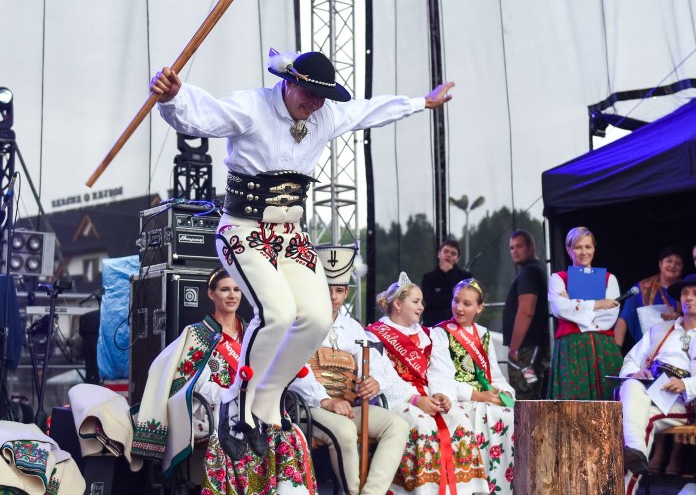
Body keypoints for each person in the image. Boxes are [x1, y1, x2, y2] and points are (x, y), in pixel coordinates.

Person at [150, 50, 454, 460]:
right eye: (308, 94)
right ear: (288, 83)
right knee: (276, 313)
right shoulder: (253, 106)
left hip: (289, 235)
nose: (314, 105)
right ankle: (235, 404)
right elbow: (202, 115)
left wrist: (422, 102)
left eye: (321, 98)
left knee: (314, 316)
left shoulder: (324, 115)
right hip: (243, 229)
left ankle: (265, 401)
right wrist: (173, 98)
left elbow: (368, 112)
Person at [133, 268, 316, 493]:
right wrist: (236, 395)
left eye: (237, 290)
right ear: (211, 294)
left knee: (287, 432)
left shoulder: (253, 333)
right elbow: (193, 383)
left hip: (253, 405)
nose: (232, 295)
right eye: (225, 289)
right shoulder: (197, 334)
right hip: (215, 408)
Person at [288, 244, 409, 495]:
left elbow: (374, 361)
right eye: (327, 290)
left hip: (349, 407)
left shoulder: (352, 328)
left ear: (345, 293)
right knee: (343, 431)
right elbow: (294, 368)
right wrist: (325, 401)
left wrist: (374, 381)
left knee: (397, 426)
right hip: (309, 408)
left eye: (340, 291)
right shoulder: (299, 324)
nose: (333, 297)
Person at [366, 273, 489, 494]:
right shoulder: (375, 335)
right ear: (397, 304)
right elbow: (382, 377)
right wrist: (415, 399)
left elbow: (440, 370)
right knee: (423, 423)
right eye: (416, 302)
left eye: (421, 302)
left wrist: (442, 394)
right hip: (396, 400)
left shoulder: (428, 335)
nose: (422, 307)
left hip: (427, 397)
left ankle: (463, 489)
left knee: (458, 417)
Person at [619, 274, 696, 495]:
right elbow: (630, 361)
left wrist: (686, 384)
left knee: (635, 424)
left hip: (685, 400)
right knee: (631, 385)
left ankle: (627, 472)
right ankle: (635, 450)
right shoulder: (659, 329)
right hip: (648, 389)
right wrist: (636, 371)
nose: (688, 298)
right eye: (685, 293)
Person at [429, 278, 516, 494]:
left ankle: (505, 485)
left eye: (466, 304)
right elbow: (441, 379)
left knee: (514, 413)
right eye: (456, 301)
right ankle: (481, 487)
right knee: (500, 417)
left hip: (485, 395)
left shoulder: (484, 334)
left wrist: (504, 392)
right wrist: (480, 396)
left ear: (479, 308)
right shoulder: (440, 334)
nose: (458, 307)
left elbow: (494, 374)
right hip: (461, 399)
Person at [548, 226, 622, 401]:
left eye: (588, 247)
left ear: (594, 249)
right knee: (573, 401)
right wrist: (597, 304)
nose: (583, 252)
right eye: (578, 247)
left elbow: (610, 316)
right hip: (571, 347)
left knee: (607, 399)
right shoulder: (558, 278)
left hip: (603, 348)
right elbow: (559, 308)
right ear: (569, 250)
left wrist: (573, 305)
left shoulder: (608, 278)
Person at [503, 230, 550, 400]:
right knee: (531, 390)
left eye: (519, 246)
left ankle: (529, 427)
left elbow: (526, 311)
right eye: (511, 248)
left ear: (530, 247)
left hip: (527, 348)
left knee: (526, 394)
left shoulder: (530, 272)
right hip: (531, 347)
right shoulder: (533, 271)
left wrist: (514, 346)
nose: (514, 251)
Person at [615, 245, 685, 351]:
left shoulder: (687, 291)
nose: (673, 265)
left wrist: (680, 319)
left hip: (677, 350)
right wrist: (616, 351)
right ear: (660, 264)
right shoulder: (641, 289)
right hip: (645, 350)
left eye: (678, 263)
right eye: (669, 261)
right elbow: (623, 320)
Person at [420, 239, 471, 328]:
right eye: (446, 251)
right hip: (433, 325)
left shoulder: (466, 277)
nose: (449, 255)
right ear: (439, 254)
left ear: (458, 259)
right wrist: (452, 299)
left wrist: (450, 273)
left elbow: (463, 300)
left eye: (453, 253)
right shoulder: (428, 277)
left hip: (458, 326)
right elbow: (430, 300)